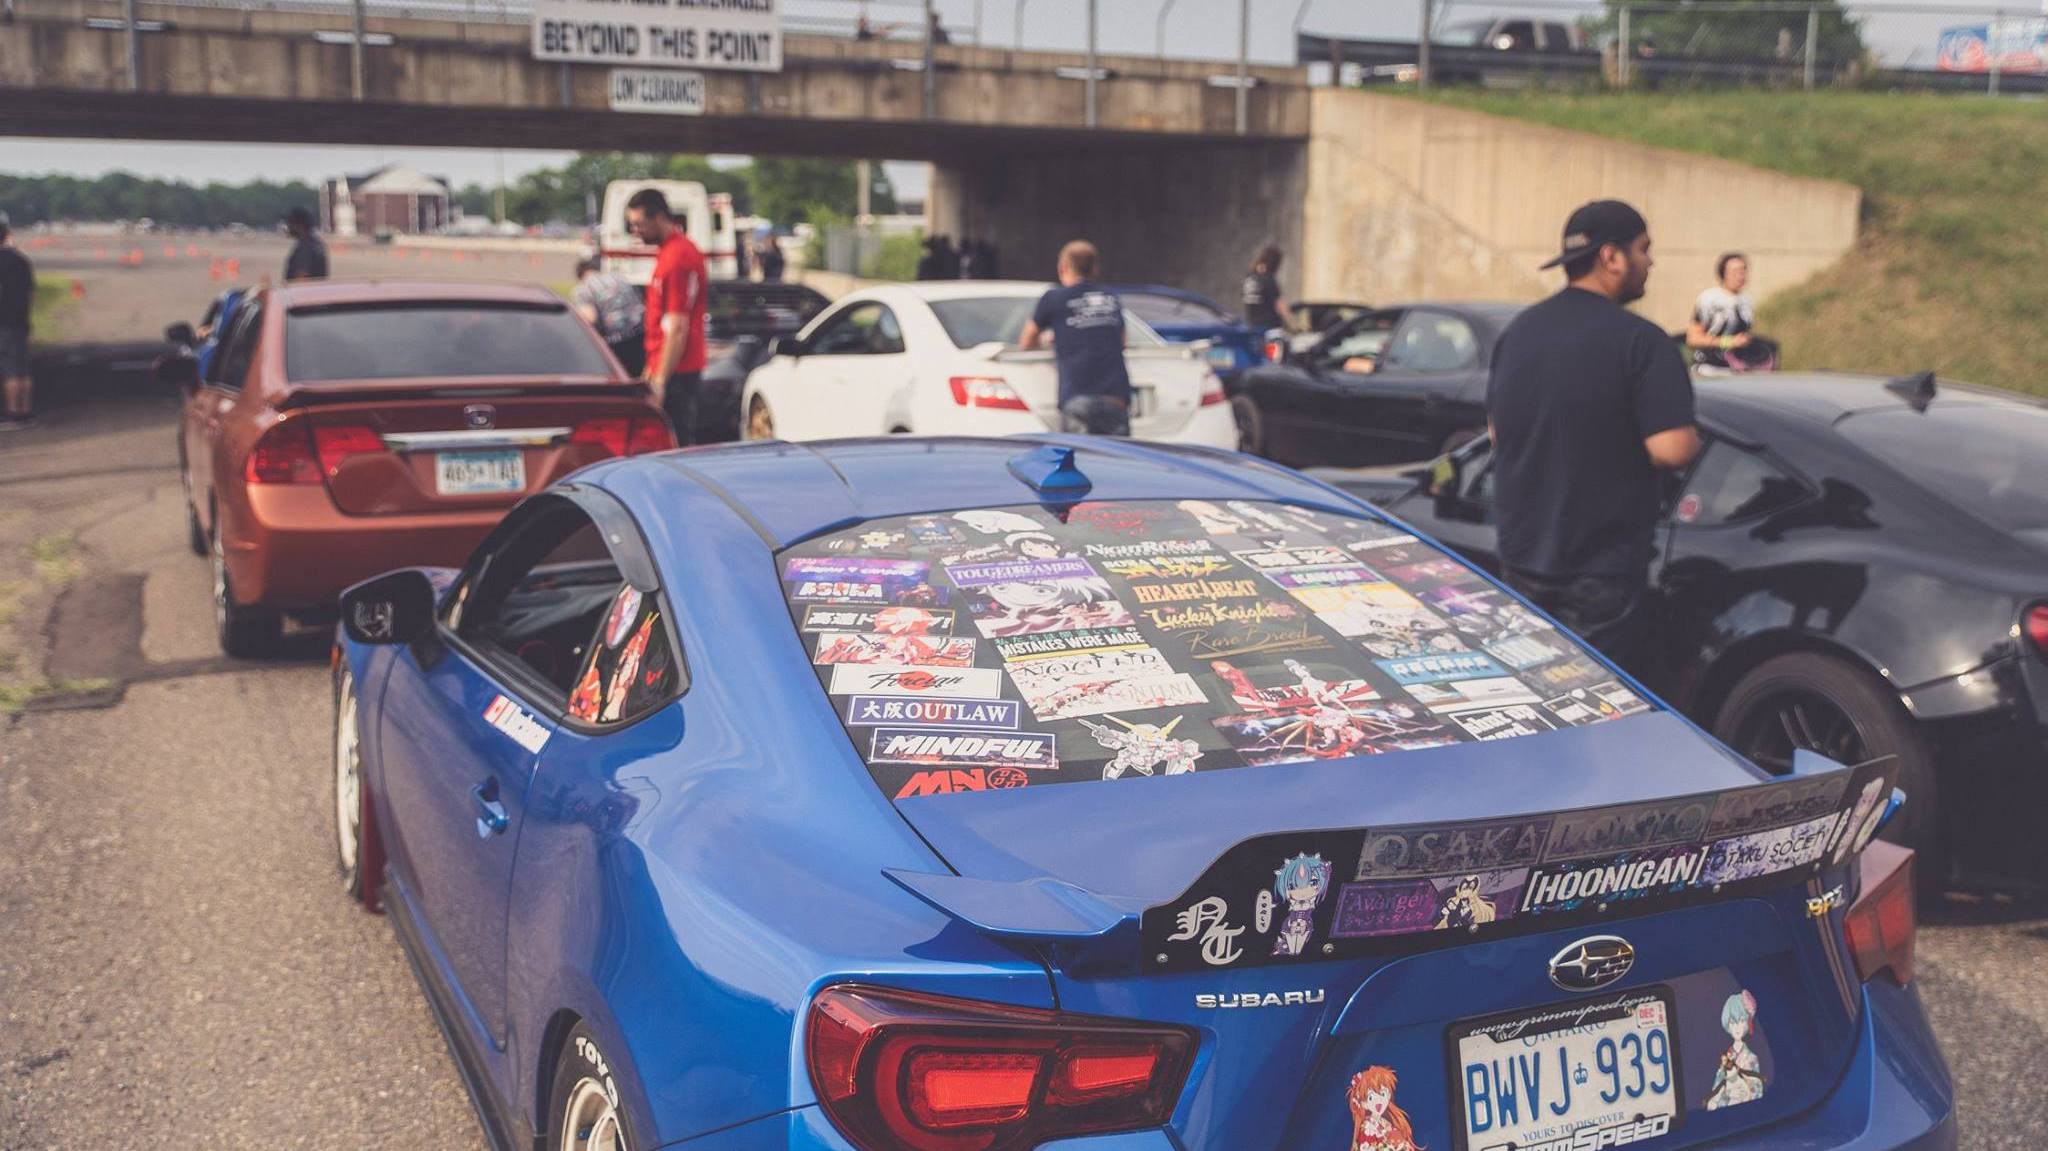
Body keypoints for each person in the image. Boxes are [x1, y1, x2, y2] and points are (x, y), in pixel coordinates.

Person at [1486, 199, 1700, 686]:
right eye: (1644, 249)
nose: (1651, 262)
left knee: (1531, 694)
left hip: (1521, 559)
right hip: (1600, 571)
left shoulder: (1518, 332)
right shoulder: (1642, 341)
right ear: (1612, 257)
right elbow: (1672, 449)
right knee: (1589, 698)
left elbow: (1498, 432)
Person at [1019, 240, 1132, 436]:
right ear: (1095, 269)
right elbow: (1122, 342)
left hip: (1077, 395)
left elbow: (1026, 342)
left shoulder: (1054, 298)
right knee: (1115, 454)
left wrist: (1049, 340)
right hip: (1116, 397)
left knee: (1080, 453)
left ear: (1063, 267)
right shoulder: (1110, 297)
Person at [625, 188, 708, 445]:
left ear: (659, 217)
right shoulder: (670, 251)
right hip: (668, 365)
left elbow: (677, 328)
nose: (635, 231)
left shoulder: (677, 257)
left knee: (675, 443)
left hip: (678, 371)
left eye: (639, 224)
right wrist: (651, 369)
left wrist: (660, 381)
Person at [1687, 252, 1778, 372]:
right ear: (1723, 273)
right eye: (1735, 271)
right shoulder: (1709, 299)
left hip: (1737, 369)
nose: (1740, 276)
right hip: (1709, 368)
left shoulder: (1747, 301)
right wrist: (1729, 342)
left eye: (1743, 271)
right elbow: (1693, 339)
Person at [571, 256, 648, 377]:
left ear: (580, 276)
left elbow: (590, 319)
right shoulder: (618, 278)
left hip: (616, 340)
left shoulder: (583, 289)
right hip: (641, 334)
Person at [0, 215, 35, 429]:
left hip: (3, 320)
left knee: (10, 369)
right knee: (22, 368)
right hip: (20, 318)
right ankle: (25, 410)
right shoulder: (22, 261)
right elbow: (31, 293)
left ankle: (13, 413)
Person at [1242, 243, 1291, 332]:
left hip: (1252, 326)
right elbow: (1279, 305)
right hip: (1269, 328)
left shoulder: (1249, 277)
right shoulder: (1268, 279)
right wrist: (1292, 323)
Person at [282, 207, 328, 281]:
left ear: (300, 225)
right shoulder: (317, 243)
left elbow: (302, 277)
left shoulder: (304, 248)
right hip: (317, 287)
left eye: (291, 223)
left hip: (304, 287)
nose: (288, 227)